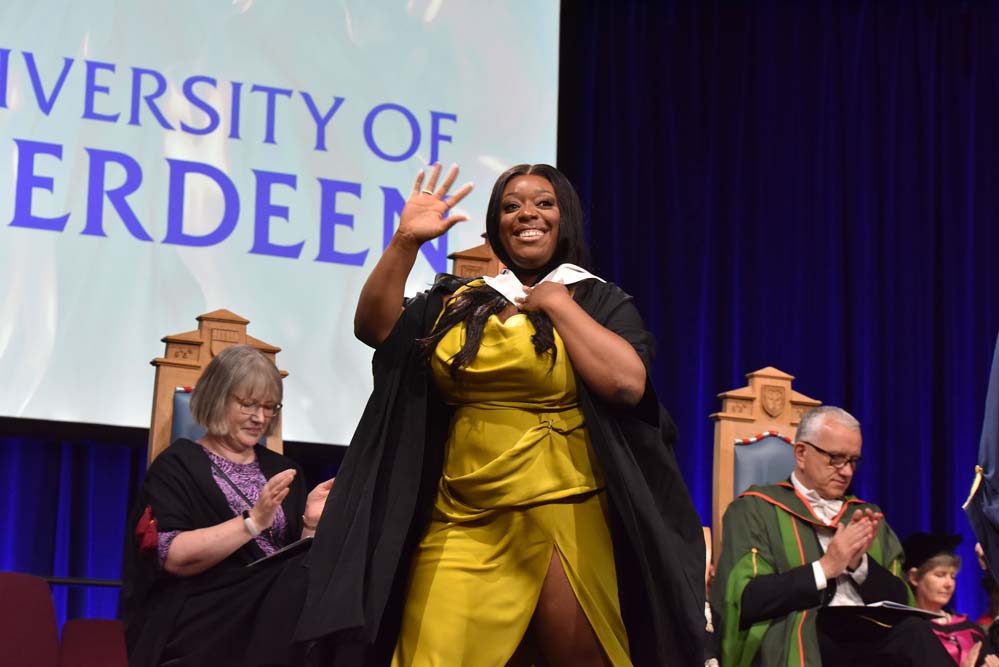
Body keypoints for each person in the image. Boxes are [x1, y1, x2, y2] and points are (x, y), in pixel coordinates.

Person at [296, 163, 706, 666]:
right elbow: (375, 329)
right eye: (512, 206)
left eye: (543, 203)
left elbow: (626, 384)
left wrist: (557, 305)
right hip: (461, 515)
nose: (527, 214)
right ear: (496, 226)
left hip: (564, 513)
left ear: (565, 217)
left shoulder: (596, 299)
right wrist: (405, 242)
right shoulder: (460, 300)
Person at [120, 344, 334, 667]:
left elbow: (293, 557)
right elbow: (172, 556)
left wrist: (310, 526)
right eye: (248, 404)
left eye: (269, 407)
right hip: (204, 612)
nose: (259, 418)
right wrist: (252, 521)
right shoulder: (177, 466)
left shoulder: (283, 469)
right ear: (218, 398)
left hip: (273, 604)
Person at [712, 405, 955, 667]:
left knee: (914, 632)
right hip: (801, 632)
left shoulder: (865, 517)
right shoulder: (756, 510)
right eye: (836, 458)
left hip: (867, 636)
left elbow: (902, 602)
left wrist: (859, 565)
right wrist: (826, 567)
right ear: (801, 453)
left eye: (853, 461)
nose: (847, 471)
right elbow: (746, 598)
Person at [901, 532, 986, 665]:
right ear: (914, 577)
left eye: (953, 576)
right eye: (940, 575)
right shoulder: (905, 631)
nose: (949, 584)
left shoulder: (971, 630)